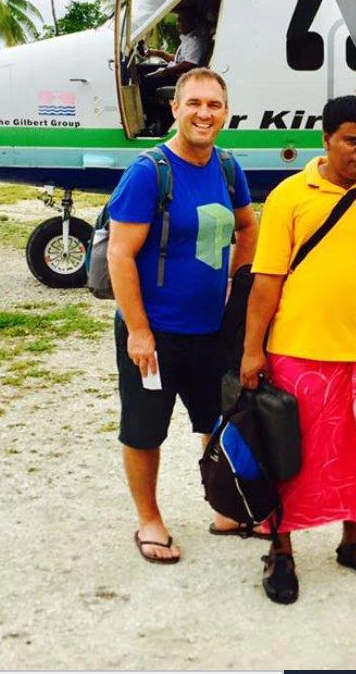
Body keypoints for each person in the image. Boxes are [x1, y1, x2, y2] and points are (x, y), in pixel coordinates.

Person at [240, 95, 356, 604]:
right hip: (296, 352)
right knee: (288, 457)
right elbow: (266, 280)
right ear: (325, 139)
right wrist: (252, 351)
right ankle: (281, 551)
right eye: (352, 139)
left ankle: (355, 542)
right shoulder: (289, 195)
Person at [107, 68, 258, 564]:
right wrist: (139, 330)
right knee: (145, 429)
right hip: (156, 334)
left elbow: (247, 226)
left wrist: (238, 283)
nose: (204, 113)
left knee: (217, 421)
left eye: (214, 104)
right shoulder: (150, 172)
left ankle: (225, 505)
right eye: (194, 103)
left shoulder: (228, 167)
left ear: (225, 112)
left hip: (210, 331)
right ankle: (149, 519)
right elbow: (120, 255)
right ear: (175, 109)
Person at [143, 2, 212, 78]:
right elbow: (178, 61)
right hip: (176, 75)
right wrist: (158, 53)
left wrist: (166, 71)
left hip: (181, 79)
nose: (179, 23)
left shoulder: (195, 42)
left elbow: (188, 65)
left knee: (145, 80)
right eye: (178, 20)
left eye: (183, 20)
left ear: (193, 22)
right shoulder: (188, 39)